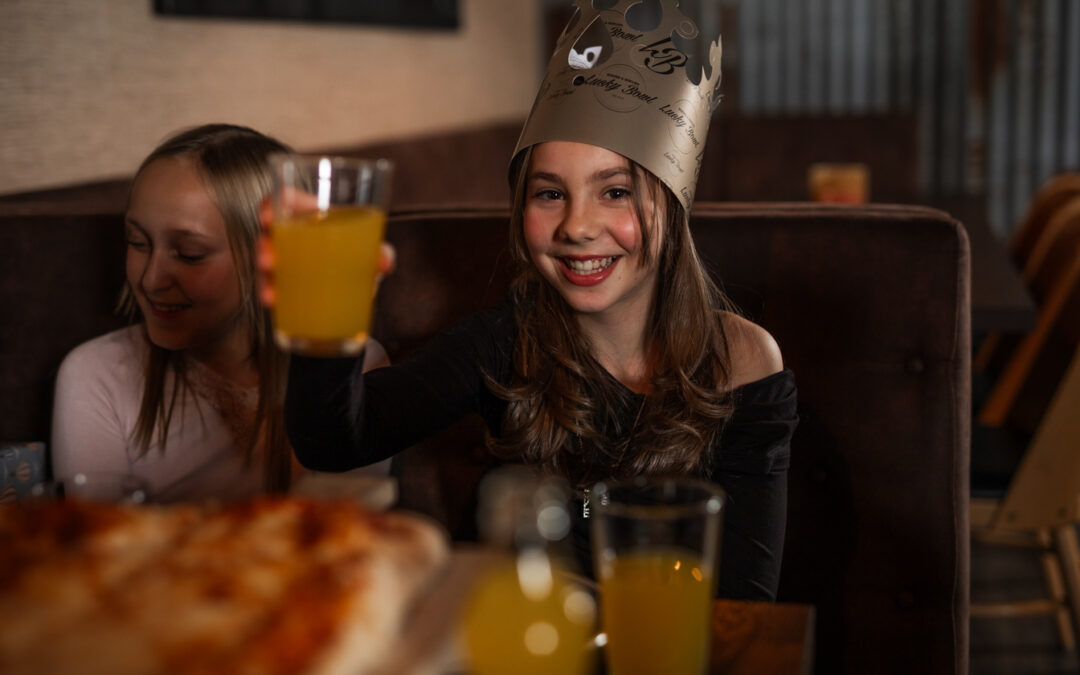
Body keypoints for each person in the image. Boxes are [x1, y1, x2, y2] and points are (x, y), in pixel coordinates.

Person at [269, 0, 797, 600]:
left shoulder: (744, 359)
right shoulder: (500, 344)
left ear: (671, 213)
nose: (577, 225)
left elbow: (746, 602)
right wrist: (323, 317)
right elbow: (334, 443)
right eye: (550, 193)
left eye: (616, 191)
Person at [50, 123, 390, 503]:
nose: (151, 279)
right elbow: (93, 544)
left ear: (270, 256)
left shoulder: (356, 367)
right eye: (138, 242)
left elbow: (344, 532)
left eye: (189, 254)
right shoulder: (96, 375)